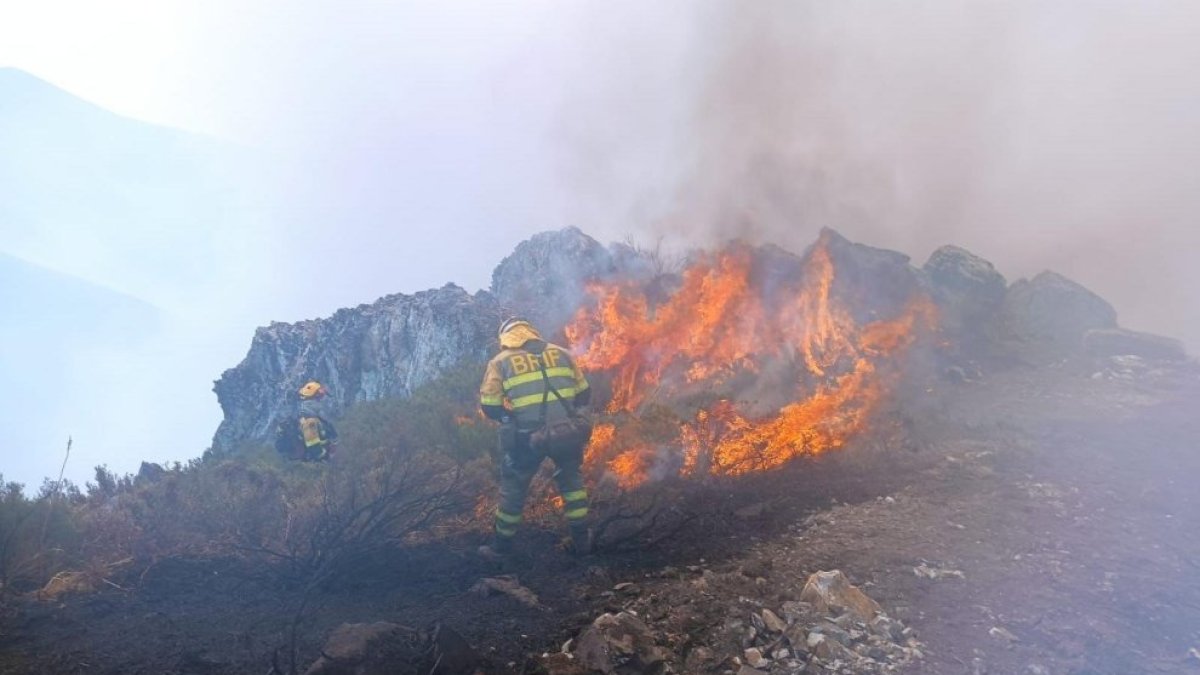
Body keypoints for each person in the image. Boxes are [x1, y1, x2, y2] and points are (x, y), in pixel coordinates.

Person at [478, 317, 593, 559]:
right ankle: (582, 540)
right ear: (531, 332)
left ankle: (500, 548)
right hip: (567, 432)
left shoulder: (501, 362)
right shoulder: (562, 353)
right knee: (572, 483)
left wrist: (510, 417)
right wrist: (568, 415)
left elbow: (489, 405)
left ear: (506, 338)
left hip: (527, 438)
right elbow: (584, 393)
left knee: (514, 488)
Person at [295, 380, 338, 461]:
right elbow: (314, 449)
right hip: (317, 462)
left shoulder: (318, 418)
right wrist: (327, 457)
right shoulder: (309, 422)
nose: (322, 400)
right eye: (321, 397)